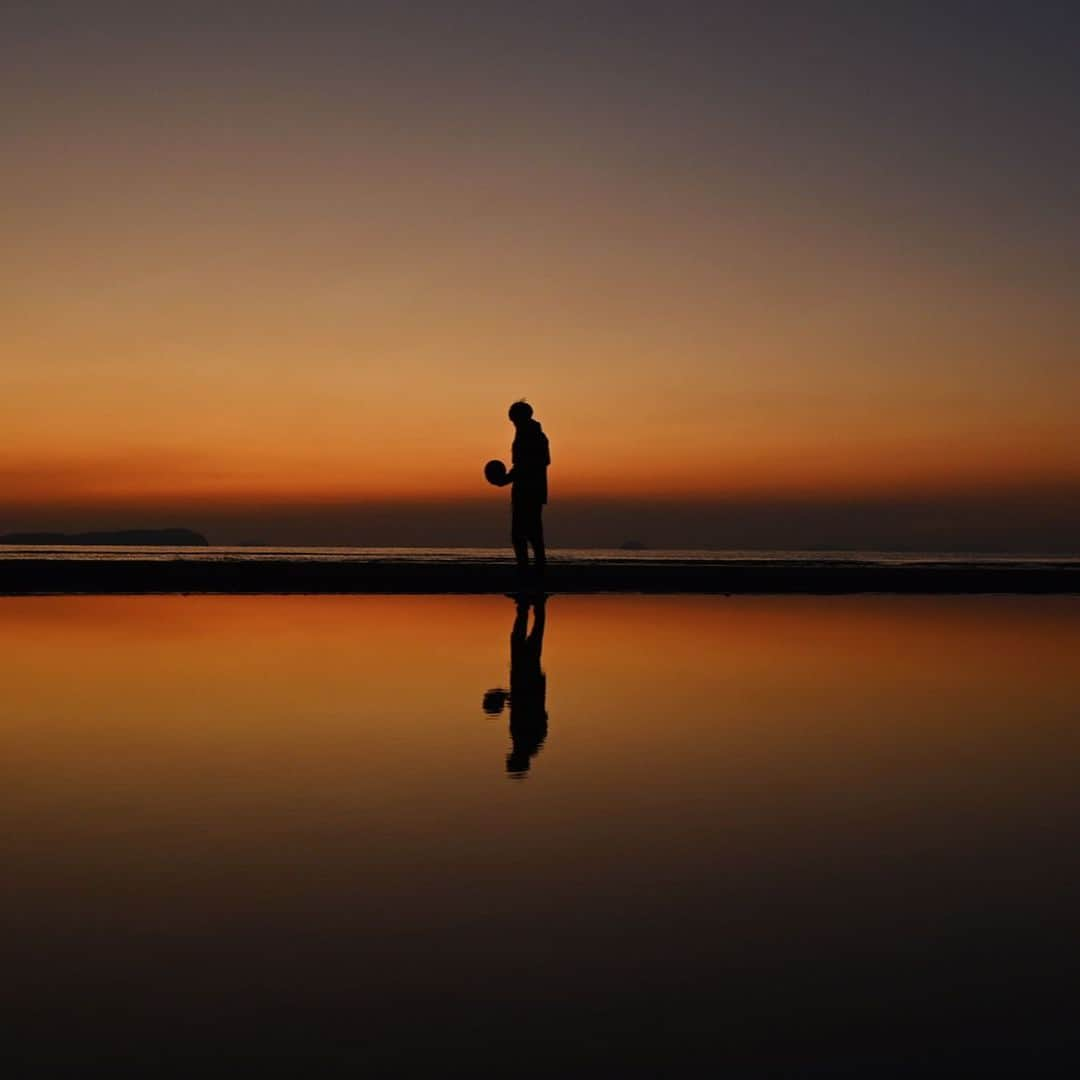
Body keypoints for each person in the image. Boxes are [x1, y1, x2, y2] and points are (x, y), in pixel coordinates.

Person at [482, 594, 548, 778]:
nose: (509, 754)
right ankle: (533, 603)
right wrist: (508, 698)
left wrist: (506, 699)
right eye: (511, 758)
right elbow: (532, 708)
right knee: (527, 636)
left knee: (526, 636)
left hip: (525, 680)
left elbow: (527, 708)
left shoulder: (527, 739)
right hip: (528, 680)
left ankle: (529, 604)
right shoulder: (530, 739)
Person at [503, 400, 550, 577]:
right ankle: (534, 570)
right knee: (530, 533)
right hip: (530, 489)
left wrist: (507, 478)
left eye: (515, 420)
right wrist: (510, 477)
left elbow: (530, 464)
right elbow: (525, 465)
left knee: (524, 534)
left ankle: (530, 571)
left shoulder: (532, 435)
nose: (514, 424)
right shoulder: (530, 434)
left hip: (529, 490)